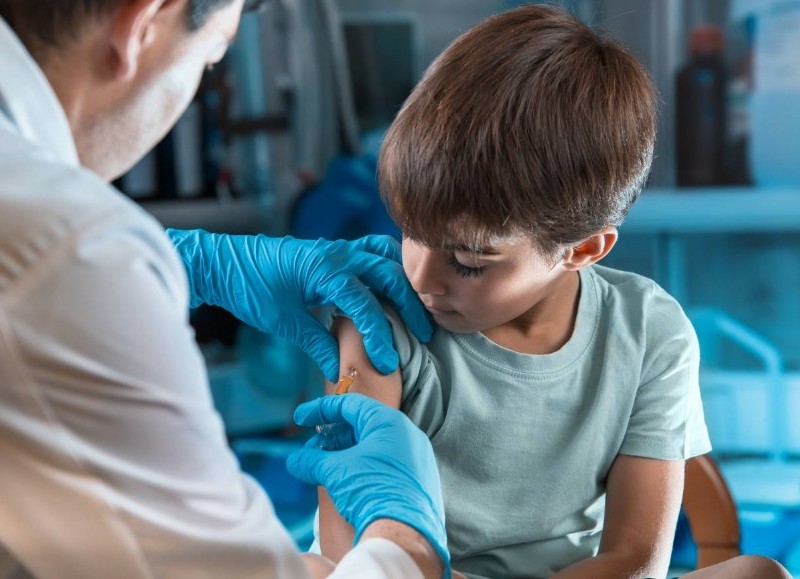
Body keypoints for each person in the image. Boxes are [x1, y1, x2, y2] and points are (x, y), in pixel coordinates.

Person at [314, 5, 791, 579]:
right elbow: (352, 550)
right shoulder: (378, 316)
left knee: (758, 573)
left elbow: (636, 559)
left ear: (582, 250)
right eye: (411, 232)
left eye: (468, 262)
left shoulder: (648, 333)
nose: (419, 277)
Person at [0, 0, 452, 577]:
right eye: (211, 58)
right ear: (142, 24)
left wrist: (194, 262)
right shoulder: (62, 254)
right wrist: (405, 538)